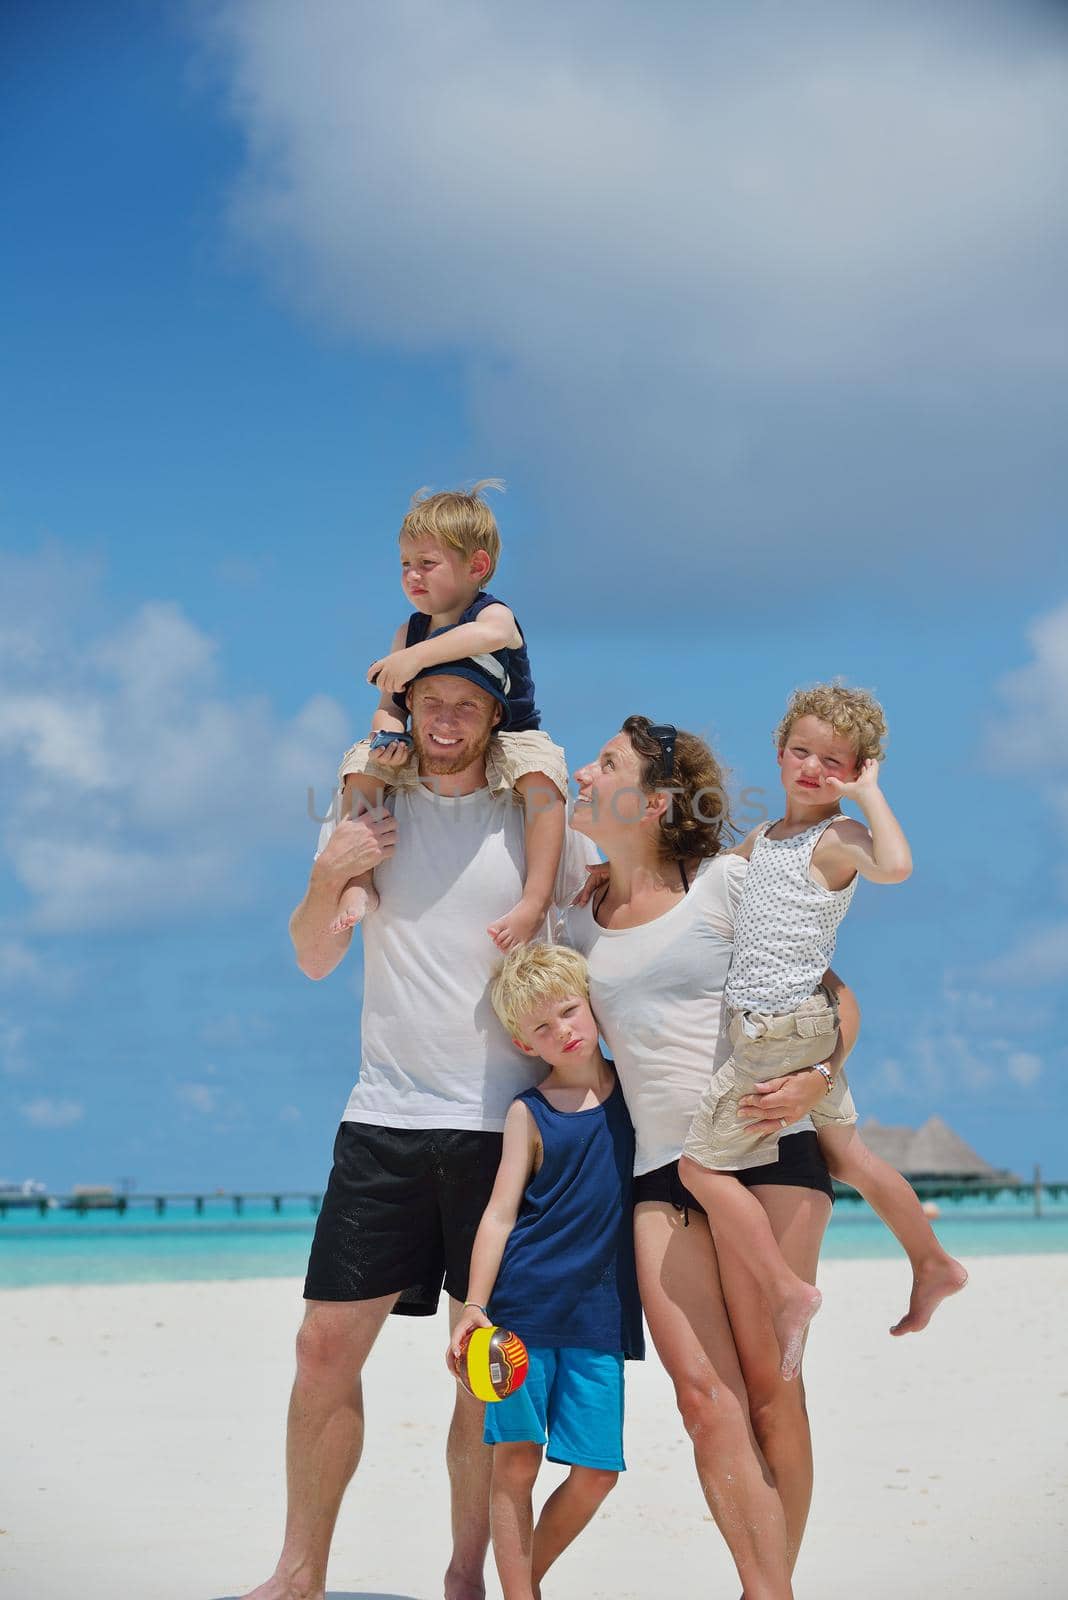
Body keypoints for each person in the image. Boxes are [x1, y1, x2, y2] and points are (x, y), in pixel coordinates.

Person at [241, 659, 594, 1600]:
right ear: (407, 710)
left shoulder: (536, 818)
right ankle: (300, 1572)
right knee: (323, 1349)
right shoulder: (368, 812)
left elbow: (610, 954)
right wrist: (328, 875)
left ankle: (467, 1575)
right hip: (385, 1119)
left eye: (466, 705)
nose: (446, 719)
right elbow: (316, 957)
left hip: (509, 1128)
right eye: (430, 702)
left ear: (493, 716)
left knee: (484, 1368)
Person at [560, 715, 859, 1600]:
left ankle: (767, 1592)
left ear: (653, 803)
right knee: (703, 1398)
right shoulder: (577, 919)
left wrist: (819, 1079)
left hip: (764, 1144)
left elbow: (836, 998)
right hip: (660, 1167)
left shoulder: (730, 883)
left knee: (772, 1394)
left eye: (605, 762)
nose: (584, 771)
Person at [679, 683, 967, 1376]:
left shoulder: (837, 837)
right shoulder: (765, 836)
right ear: (779, 753)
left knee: (694, 1165)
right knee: (849, 1158)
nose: (812, 768)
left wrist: (867, 796)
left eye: (834, 761)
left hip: (777, 1029)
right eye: (801, 751)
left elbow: (896, 867)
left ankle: (786, 1290)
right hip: (803, 1022)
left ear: (858, 769)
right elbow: (712, 882)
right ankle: (932, 1261)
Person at [447, 943, 643, 1600]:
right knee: (516, 1462)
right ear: (522, 1042)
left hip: (600, 1318)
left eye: (568, 1010)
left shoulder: (638, 1090)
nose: (563, 1030)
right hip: (517, 1319)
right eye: (542, 1028)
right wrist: (474, 1308)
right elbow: (500, 1215)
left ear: (592, 1004)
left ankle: (524, 1583)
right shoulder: (526, 1113)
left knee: (596, 1471)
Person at [331, 480, 568, 952]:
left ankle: (535, 899)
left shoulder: (492, 614)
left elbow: (485, 638)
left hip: (511, 734)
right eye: (405, 565)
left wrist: (415, 660)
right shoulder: (408, 631)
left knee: (544, 778)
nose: (412, 576)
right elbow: (388, 710)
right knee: (361, 764)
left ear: (476, 566)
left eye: (426, 564)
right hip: (431, 735)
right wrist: (388, 737)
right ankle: (360, 877)